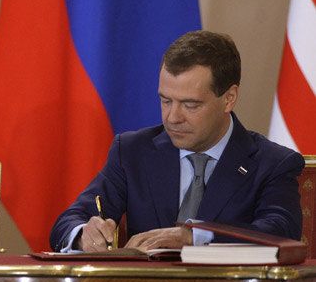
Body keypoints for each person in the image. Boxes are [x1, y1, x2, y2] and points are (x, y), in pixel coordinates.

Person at [50, 30, 304, 253]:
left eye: (190, 105)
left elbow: (281, 232)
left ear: (229, 98)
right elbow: (68, 222)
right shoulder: (133, 151)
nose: (172, 117)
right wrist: (84, 235)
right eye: (166, 101)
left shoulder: (272, 163)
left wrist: (194, 237)